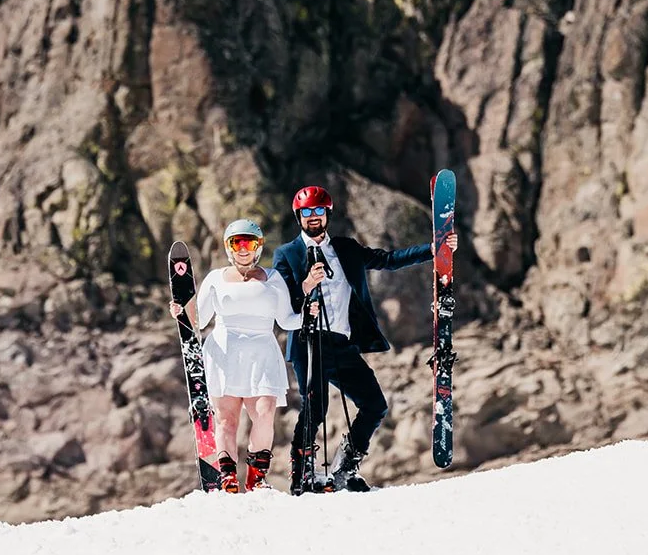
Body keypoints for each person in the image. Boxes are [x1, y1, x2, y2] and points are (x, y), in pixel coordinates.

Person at [273, 184, 460, 494]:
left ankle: (345, 468)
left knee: (375, 404)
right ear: (299, 216)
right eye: (307, 212)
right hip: (309, 341)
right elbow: (282, 300)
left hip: (341, 343)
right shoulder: (287, 254)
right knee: (315, 408)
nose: (313, 217)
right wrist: (306, 285)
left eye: (319, 211)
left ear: (327, 214)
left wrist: (434, 249)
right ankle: (302, 474)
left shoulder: (345, 248)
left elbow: (387, 260)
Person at [169, 218, 312, 492]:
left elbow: (287, 320)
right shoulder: (216, 279)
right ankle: (227, 475)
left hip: (262, 353)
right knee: (227, 419)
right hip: (225, 353)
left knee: (265, 411)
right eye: (237, 243)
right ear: (228, 247)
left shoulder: (273, 279)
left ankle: (257, 476)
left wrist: (307, 312)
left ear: (258, 247)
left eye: (249, 242)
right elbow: (198, 320)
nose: (243, 248)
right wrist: (180, 312)